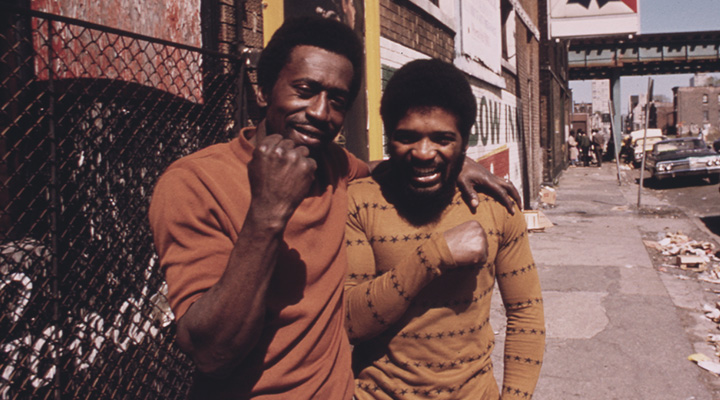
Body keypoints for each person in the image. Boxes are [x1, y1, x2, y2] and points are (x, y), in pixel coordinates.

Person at [149, 17, 520, 399]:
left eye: (337, 101)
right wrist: (267, 213)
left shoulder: (334, 166)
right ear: (263, 91)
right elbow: (211, 353)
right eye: (305, 90)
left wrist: (457, 162)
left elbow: (388, 168)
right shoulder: (195, 182)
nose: (320, 112)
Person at [344, 59, 545, 399]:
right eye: (407, 137)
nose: (424, 153)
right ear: (389, 137)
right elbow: (351, 323)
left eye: (442, 139)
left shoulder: (495, 206)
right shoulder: (359, 201)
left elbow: (526, 312)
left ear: (464, 143)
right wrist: (433, 256)